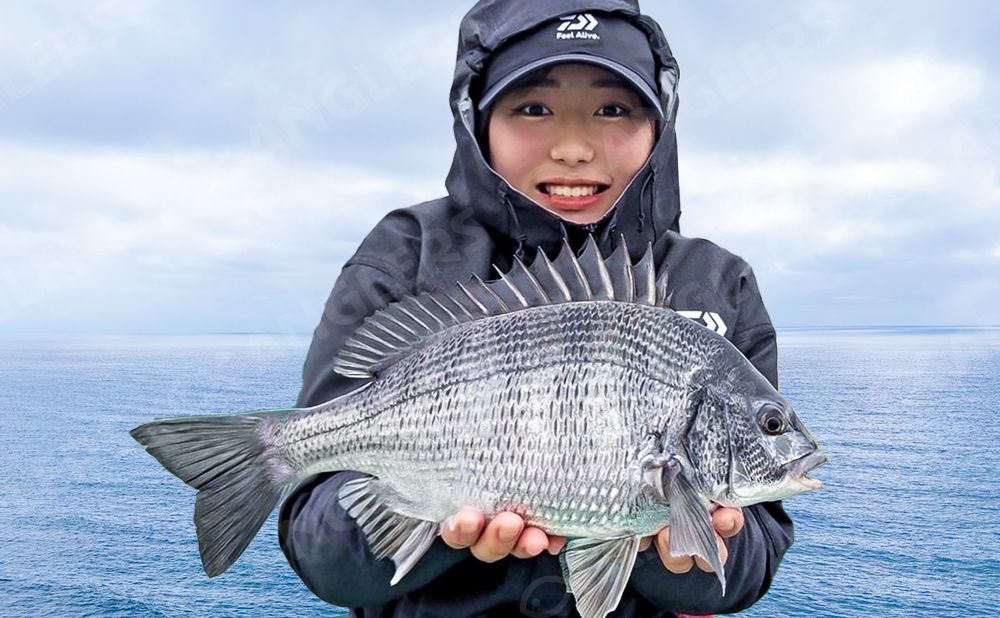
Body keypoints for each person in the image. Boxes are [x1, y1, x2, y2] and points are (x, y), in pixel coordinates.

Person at [279, 1, 793, 616]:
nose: (573, 147)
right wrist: (442, 517)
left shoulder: (717, 283)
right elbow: (323, 555)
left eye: (613, 108)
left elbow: (755, 556)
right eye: (532, 108)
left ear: (661, 125)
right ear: (478, 120)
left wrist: (661, 542)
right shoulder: (401, 258)